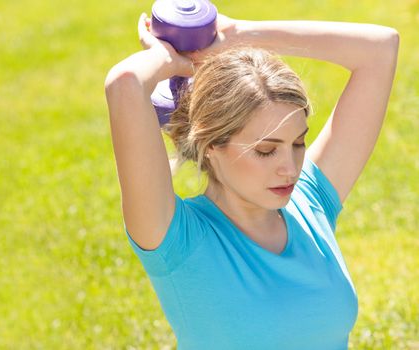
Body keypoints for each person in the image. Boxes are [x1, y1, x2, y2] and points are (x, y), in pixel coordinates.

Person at [104, 10, 399, 350]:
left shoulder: (310, 201)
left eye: (298, 143)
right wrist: (166, 59)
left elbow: (381, 49)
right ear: (211, 145)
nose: (289, 168)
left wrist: (238, 34)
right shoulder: (177, 240)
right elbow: (125, 83)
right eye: (265, 151)